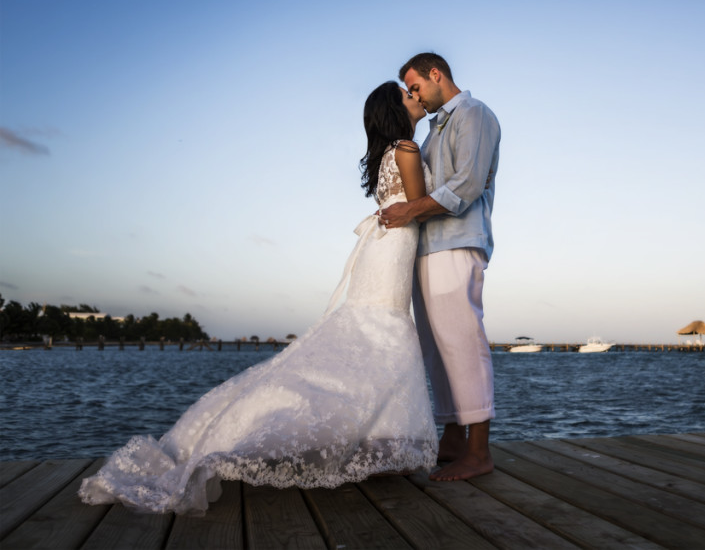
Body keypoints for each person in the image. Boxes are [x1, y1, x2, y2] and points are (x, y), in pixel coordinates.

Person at [78, 82, 437, 515]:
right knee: (382, 334)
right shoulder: (407, 149)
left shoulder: (387, 154)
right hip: (393, 249)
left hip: (381, 251)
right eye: (406, 93)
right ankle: (377, 447)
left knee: (372, 336)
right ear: (395, 110)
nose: (415, 95)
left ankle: (379, 447)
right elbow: (420, 206)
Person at [378, 53, 500, 481]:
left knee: (463, 341)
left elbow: (466, 185)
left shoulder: (474, 114)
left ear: (436, 75)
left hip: (457, 242)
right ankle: (452, 437)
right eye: (408, 92)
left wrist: (410, 211)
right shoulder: (430, 132)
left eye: (416, 87)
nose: (414, 96)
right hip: (426, 248)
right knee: (436, 347)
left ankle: (479, 451)